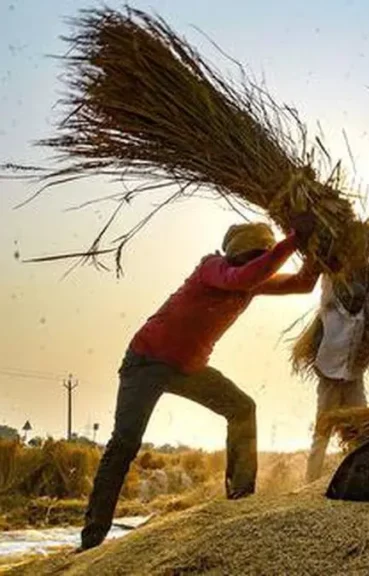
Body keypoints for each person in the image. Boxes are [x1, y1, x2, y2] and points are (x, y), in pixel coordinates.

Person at [81, 220, 318, 551]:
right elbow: (244, 276)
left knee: (241, 408)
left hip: (189, 368)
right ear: (234, 256)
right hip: (146, 362)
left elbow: (304, 284)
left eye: (258, 258)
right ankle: (91, 538)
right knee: (125, 443)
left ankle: (240, 498)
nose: (253, 265)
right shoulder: (213, 268)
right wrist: (294, 240)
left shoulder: (251, 279)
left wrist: (318, 253)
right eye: (249, 258)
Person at [304, 256, 369, 482]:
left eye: (359, 295)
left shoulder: (365, 309)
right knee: (323, 430)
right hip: (329, 376)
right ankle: (310, 482)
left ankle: (359, 478)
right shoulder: (329, 306)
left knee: (361, 428)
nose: (355, 299)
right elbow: (328, 275)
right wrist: (337, 253)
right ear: (342, 292)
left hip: (353, 377)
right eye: (351, 294)